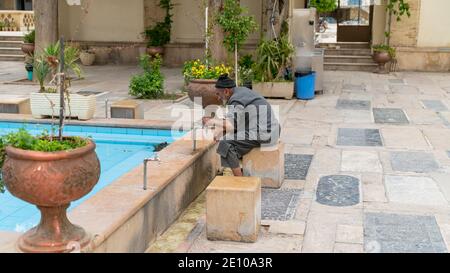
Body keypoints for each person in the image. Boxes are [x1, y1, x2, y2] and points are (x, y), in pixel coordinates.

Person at [202, 74, 280, 177]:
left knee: (226, 143)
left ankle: (239, 179)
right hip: (273, 129)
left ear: (226, 91)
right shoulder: (241, 91)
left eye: (218, 94)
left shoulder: (236, 100)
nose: (218, 97)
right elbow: (236, 122)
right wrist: (221, 131)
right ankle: (234, 167)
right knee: (230, 136)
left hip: (265, 133)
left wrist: (211, 121)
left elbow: (230, 125)